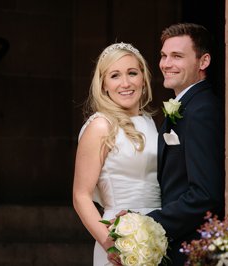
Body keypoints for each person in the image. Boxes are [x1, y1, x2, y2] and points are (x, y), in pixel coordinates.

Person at [72, 42, 160, 265]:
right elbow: (81, 196)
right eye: (115, 75)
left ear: (143, 78)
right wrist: (111, 243)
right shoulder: (101, 126)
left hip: (158, 235)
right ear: (103, 85)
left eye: (132, 73)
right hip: (121, 237)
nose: (126, 83)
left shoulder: (149, 123)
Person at [146, 22, 226, 265]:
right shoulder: (187, 105)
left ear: (203, 62)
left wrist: (147, 224)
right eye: (164, 56)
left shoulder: (201, 110)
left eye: (177, 56)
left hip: (190, 249)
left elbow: (205, 194)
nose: (166, 64)